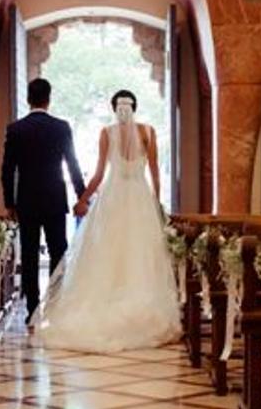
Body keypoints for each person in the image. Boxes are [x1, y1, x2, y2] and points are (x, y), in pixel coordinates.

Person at [33, 90, 180, 352]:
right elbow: (155, 172)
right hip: (140, 198)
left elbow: (100, 174)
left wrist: (83, 199)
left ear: (115, 108)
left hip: (113, 198)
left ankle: (107, 302)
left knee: (108, 251)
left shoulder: (107, 133)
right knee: (140, 252)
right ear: (134, 106)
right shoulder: (148, 132)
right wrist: (157, 203)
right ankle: (142, 309)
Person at [1, 78, 86, 324]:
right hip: (54, 199)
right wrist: (82, 195)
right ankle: (55, 306)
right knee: (59, 252)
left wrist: (10, 202)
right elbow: (72, 164)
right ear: (49, 99)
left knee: (28, 254)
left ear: (29, 99)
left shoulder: (16, 129)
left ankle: (32, 309)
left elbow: (7, 169)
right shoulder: (61, 127)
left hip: (26, 200)